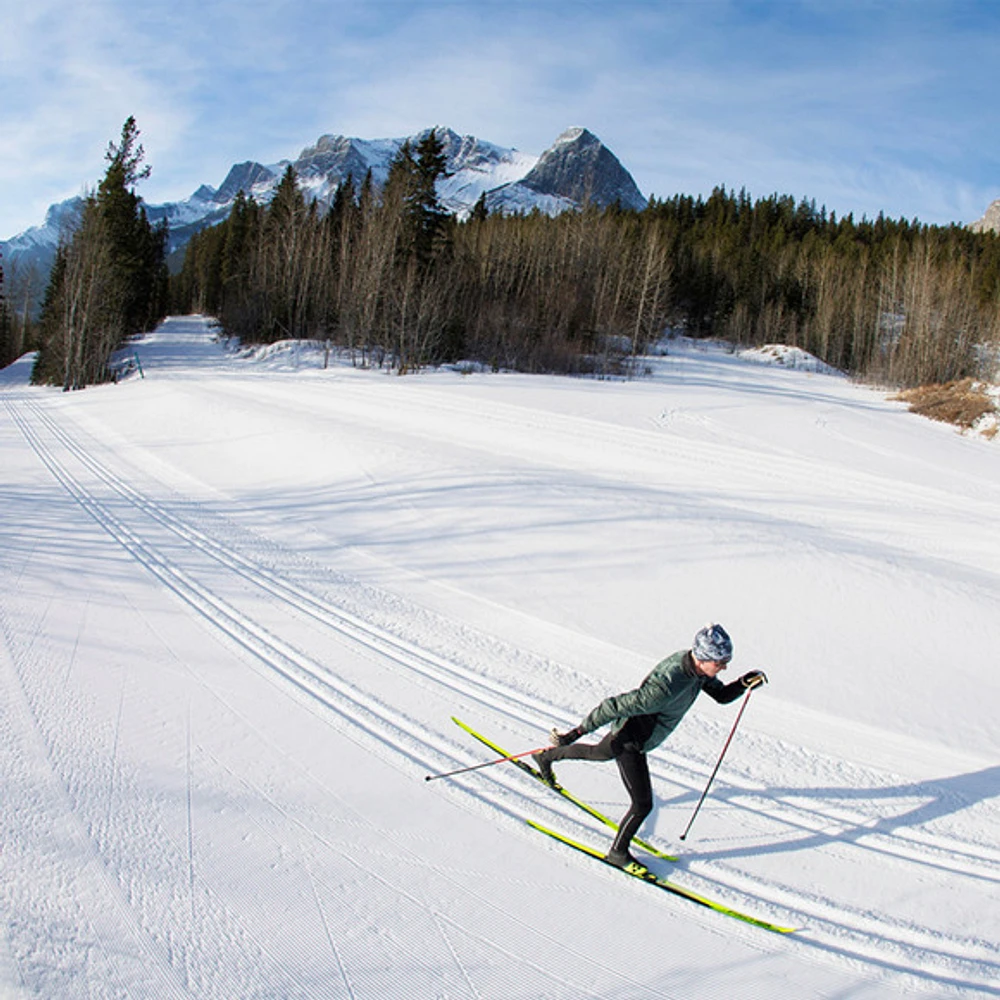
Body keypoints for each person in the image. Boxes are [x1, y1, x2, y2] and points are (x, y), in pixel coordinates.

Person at [534, 623, 766, 870]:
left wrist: (743, 683)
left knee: (596, 753)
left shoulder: (698, 672)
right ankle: (617, 853)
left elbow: (722, 696)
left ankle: (546, 758)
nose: (724, 667)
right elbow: (612, 706)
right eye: (720, 662)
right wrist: (576, 732)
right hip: (630, 741)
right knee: (643, 804)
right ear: (703, 658)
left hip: (637, 736)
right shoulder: (665, 688)